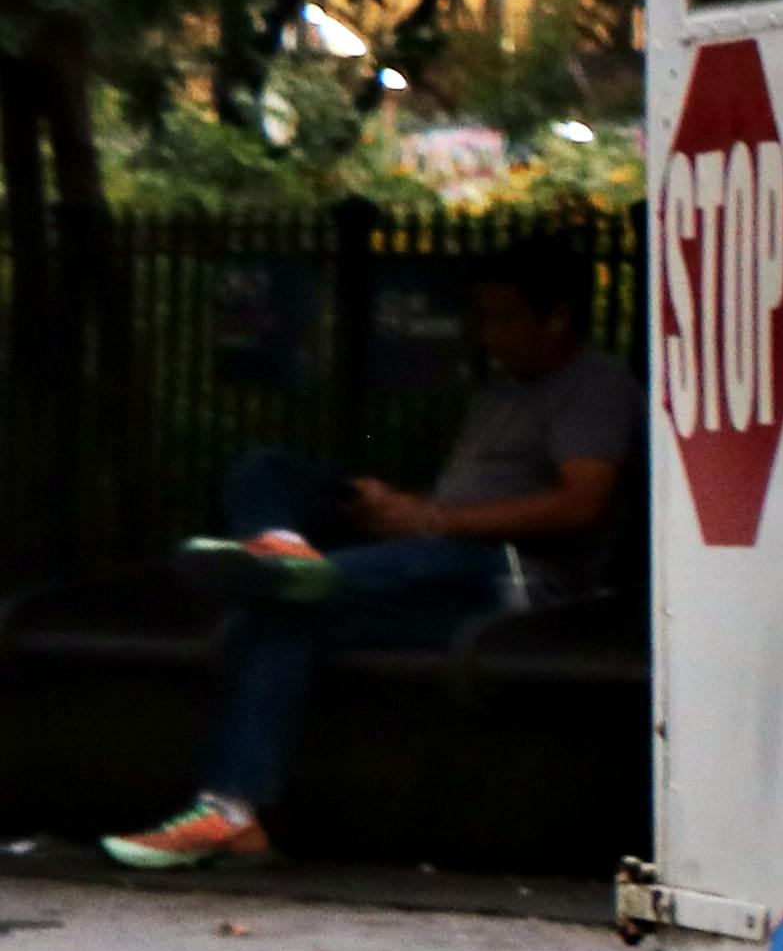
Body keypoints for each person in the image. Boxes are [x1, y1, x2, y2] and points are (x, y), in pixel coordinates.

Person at [103, 240, 639, 871]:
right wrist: (397, 506)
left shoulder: (595, 386)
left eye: (505, 318)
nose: (489, 336)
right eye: (484, 318)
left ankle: (231, 800)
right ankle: (282, 553)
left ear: (559, 318)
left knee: (278, 606)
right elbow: (462, 501)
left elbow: (581, 506)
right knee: (268, 473)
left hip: (510, 579)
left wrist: (433, 520)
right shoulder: (500, 394)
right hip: (433, 553)